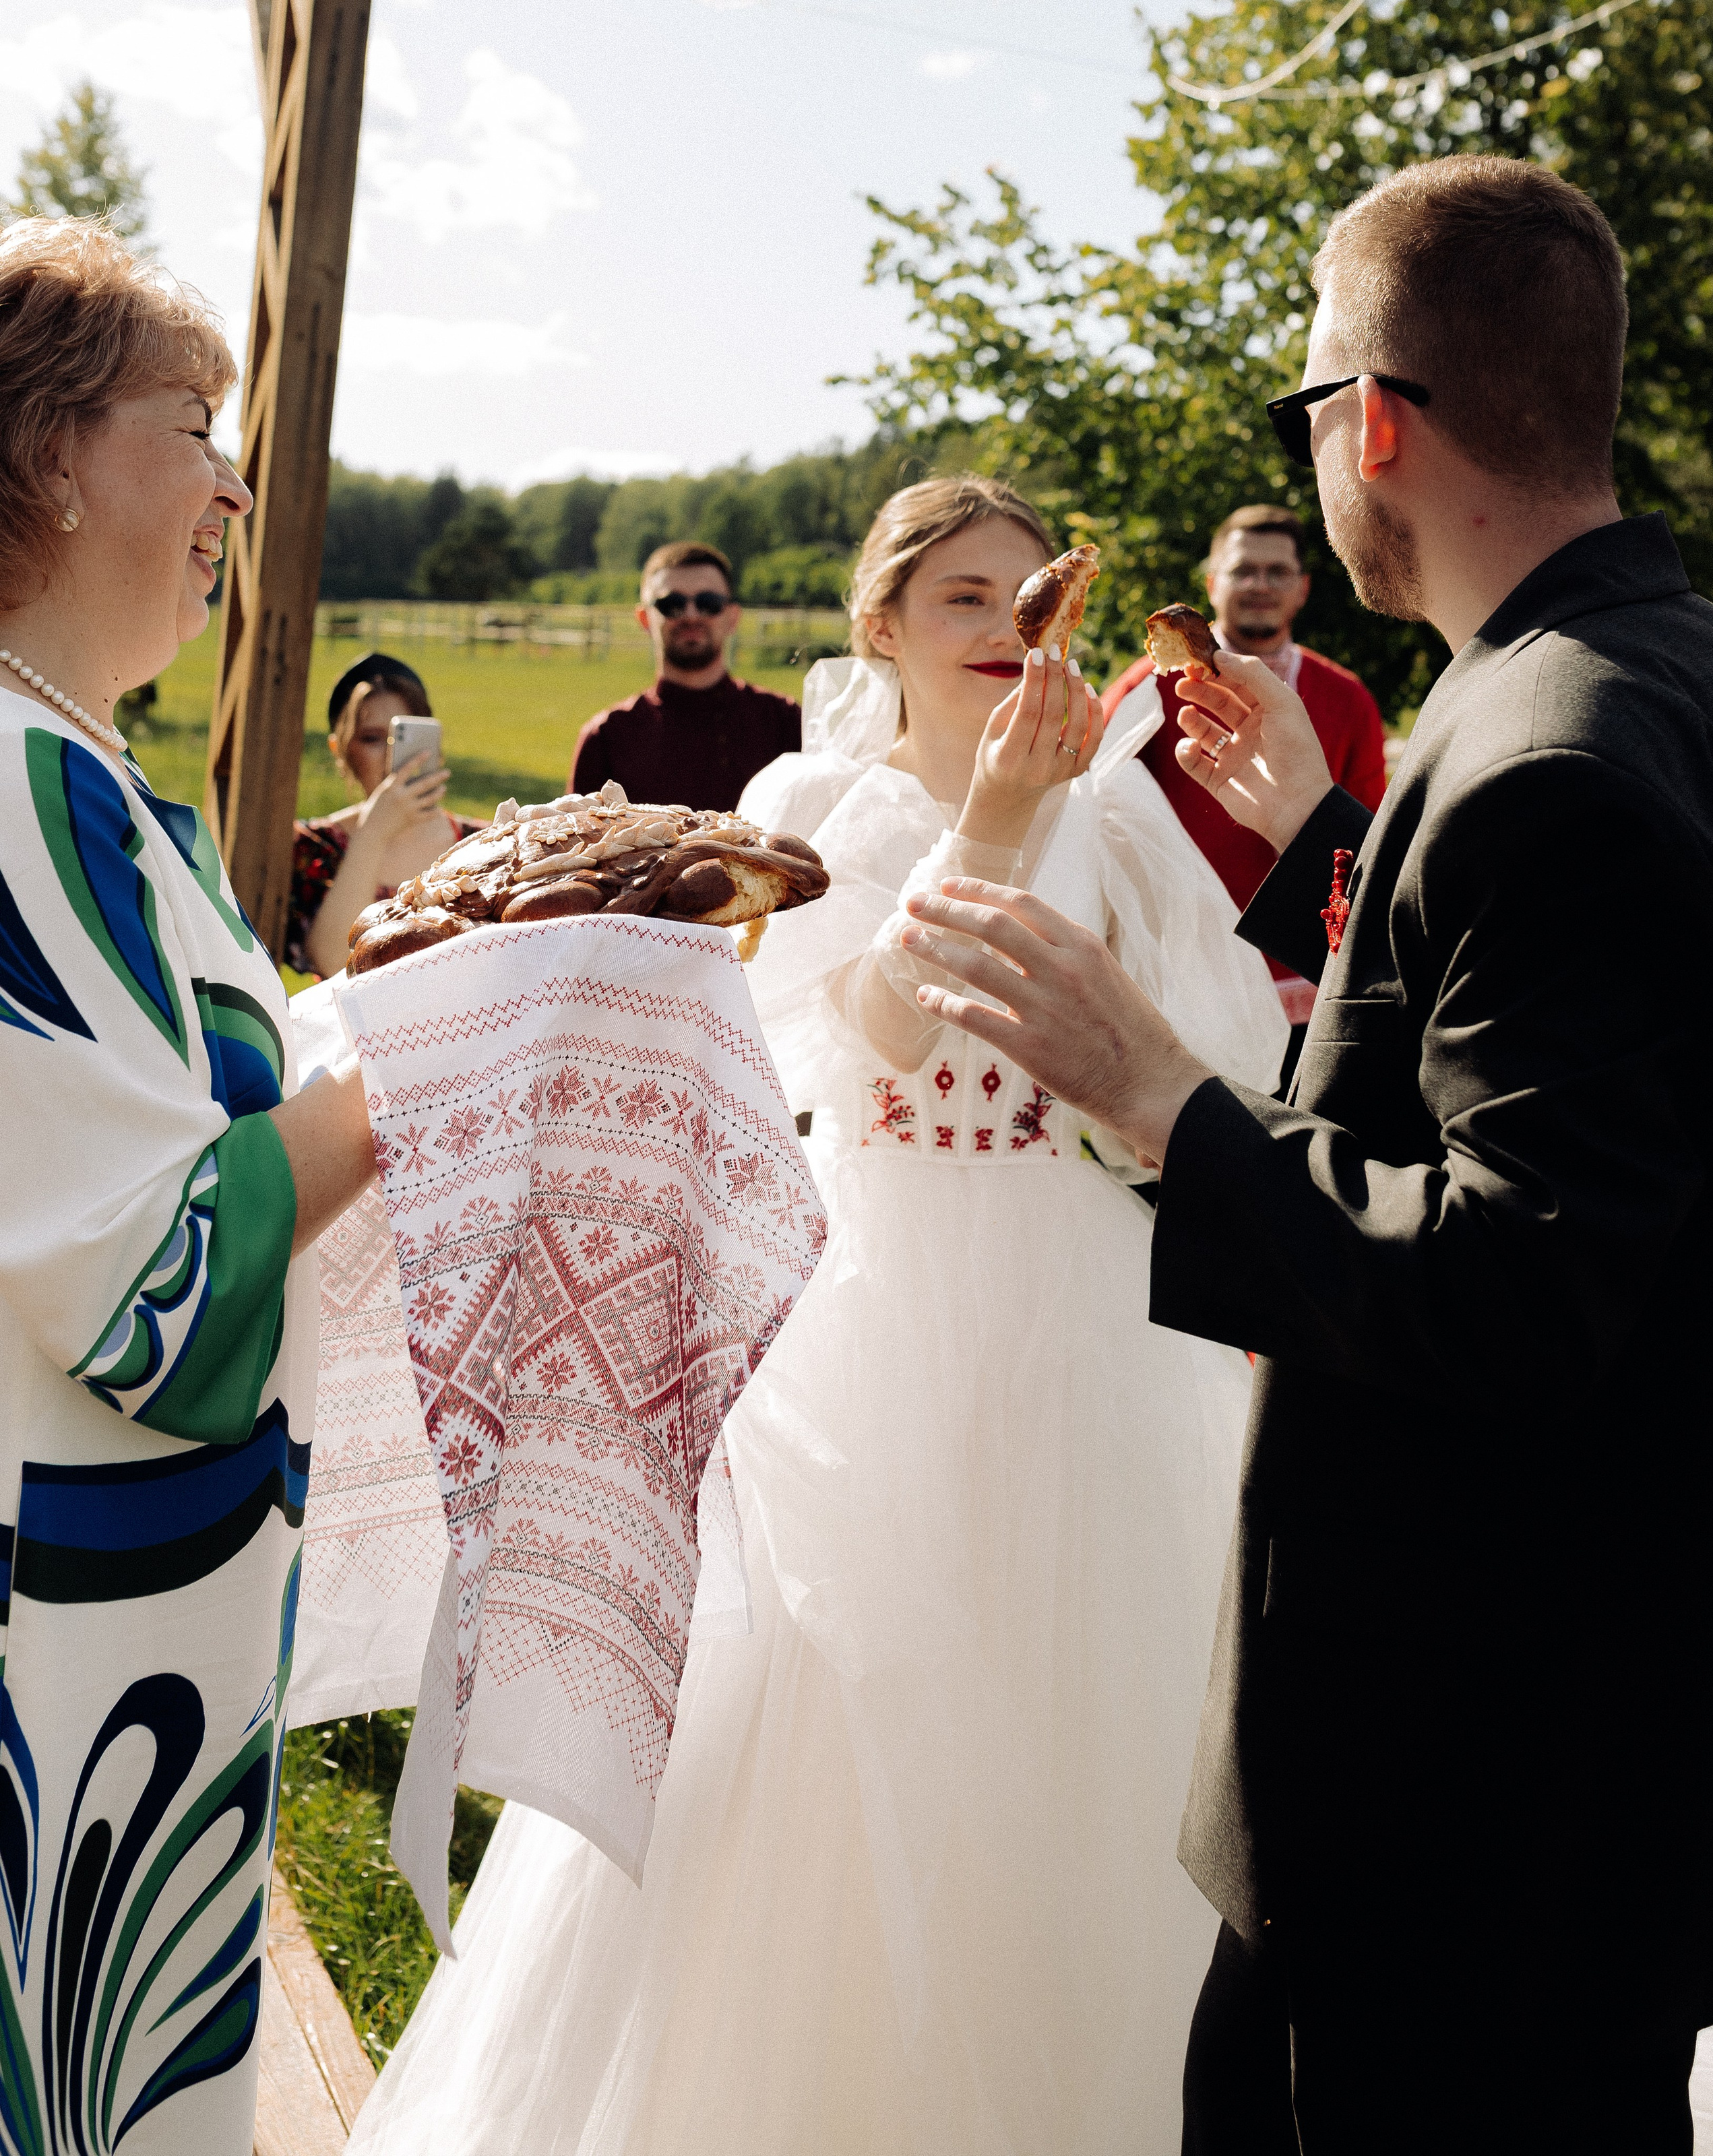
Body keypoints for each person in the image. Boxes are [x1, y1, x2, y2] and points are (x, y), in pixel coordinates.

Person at [897, 158, 1713, 2154]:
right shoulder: (1642, 669)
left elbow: (1521, 1276)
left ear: (1370, 419)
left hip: (1455, 1773)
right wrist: (1332, 864)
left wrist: (1161, 1094)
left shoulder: (1542, 753)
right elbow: (1570, 1069)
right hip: (1576, 1739)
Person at [347, 476, 1288, 2155]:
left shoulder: (1119, 814)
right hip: (876, 1299)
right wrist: (989, 827)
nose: (1008, 635)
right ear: (880, 629)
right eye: (962, 603)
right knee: (825, 1723)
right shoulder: (821, 805)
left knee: (1108, 1729)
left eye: (1028, 600)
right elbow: (865, 1040)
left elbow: (1223, 1052)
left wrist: (1247, 837)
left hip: (1082, 1304)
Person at [0, 218, 376, 2152]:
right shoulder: (21, 782)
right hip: (71, 1651)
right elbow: (154, 1274)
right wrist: (452, 1045)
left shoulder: (89, 775)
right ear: (47, 451)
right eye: (193, 420)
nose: (235, 479)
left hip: (131, 1628)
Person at [1102, 506, 1385, 1071]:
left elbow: (1373, 842)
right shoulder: (1147, 689)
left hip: (1310, 983)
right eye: (1242, 570)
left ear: (1302, 589)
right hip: (1188, 977)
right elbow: (1095, 812)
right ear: (1212, 584)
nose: (1260, 585)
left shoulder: (1346, 697)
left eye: (1277, 571)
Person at [285, 652, 483, 980]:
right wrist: (373, 832)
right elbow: (334, 962)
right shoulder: (313, 846)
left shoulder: (477, 842)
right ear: (341, 750)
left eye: (406, 737)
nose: (392, 756)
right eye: (373, 739)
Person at [568, 541, 800, 809]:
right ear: (645, 618)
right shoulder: (605, 739)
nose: (691, 615)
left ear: (732, 617)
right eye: (672, 604)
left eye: (709, 603)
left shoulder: (786, 724)